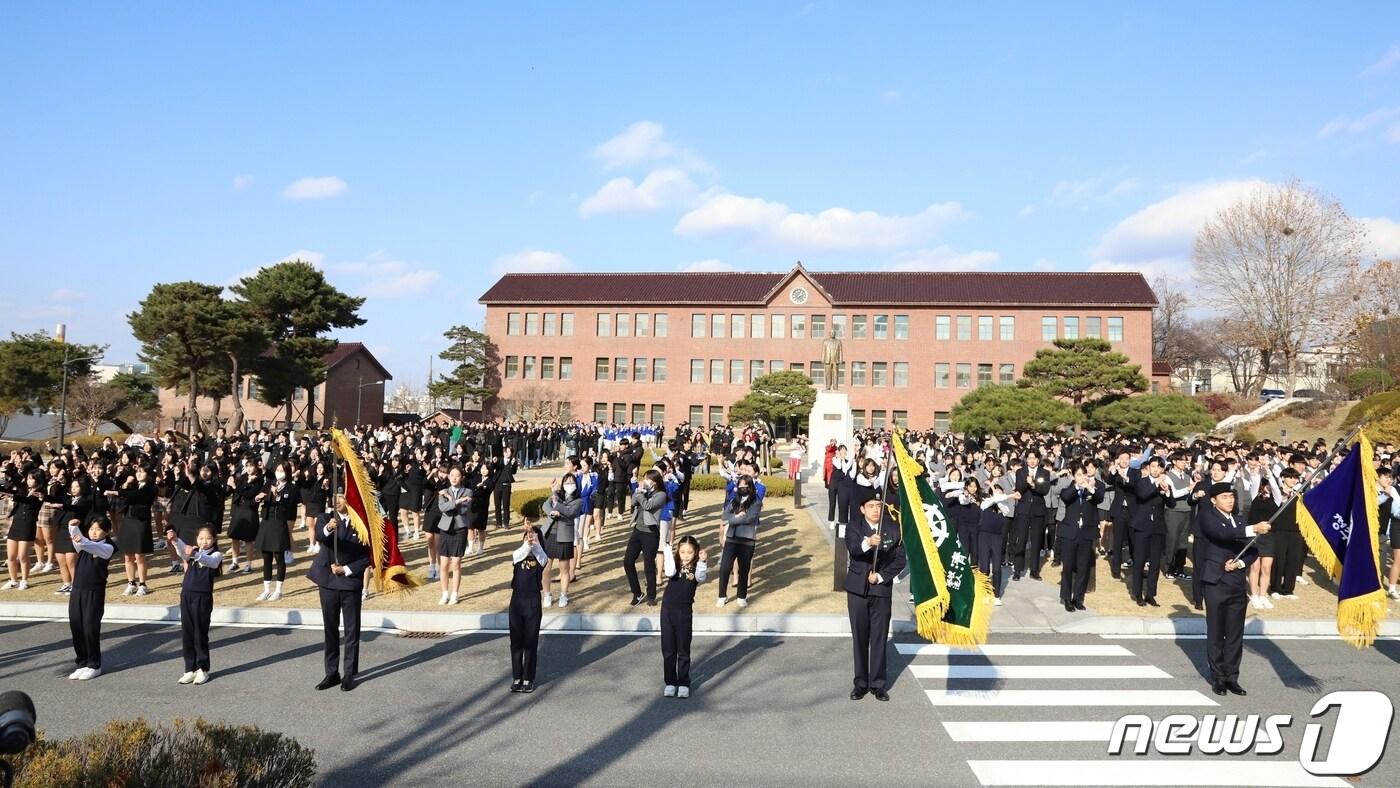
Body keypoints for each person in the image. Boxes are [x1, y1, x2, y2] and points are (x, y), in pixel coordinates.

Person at [1196, 482, 1269, 696]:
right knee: (1217, 632)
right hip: (1216, 582)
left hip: (1237, 583)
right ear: (1214, 500)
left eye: (1231, 496)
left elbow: (1252, 551)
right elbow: (1221, 534)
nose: (1229, 500)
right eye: (1225, 497)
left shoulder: (1239, 521)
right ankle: (1218, 677)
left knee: (1235, 634)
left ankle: (1232, 677)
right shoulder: (1208, 516)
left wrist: (1240, 564)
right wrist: (1253, 528)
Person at [844, 496, 906, 701]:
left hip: (880, 590)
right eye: (870, 506)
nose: (875, 510)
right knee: (860, 638)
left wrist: (880, 576)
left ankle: (878, 684)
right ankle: (860, 683)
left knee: (879, 637)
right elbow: (853, 548)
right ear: (862, 509)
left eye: (879, 506)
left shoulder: (893, 528)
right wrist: (869, 542)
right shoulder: (854, 527)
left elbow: (900, 560)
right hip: (857, 591)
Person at [310, 497, 371, 692]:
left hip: (349, 581)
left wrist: (346, 569)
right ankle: (331, 672)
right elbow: (320, 535)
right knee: (330, 628)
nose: (337, 501)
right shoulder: (325, 517)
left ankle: (349, 674)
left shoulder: (361, 524)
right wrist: (329, 527)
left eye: (342, 497)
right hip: (327, 581)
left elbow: (368, 556)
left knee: (352, 630)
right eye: (334, 497)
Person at [166, 525, 222, 685]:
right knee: (187, 633)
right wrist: (176, 540)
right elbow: (184, 552)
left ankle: (203, 669)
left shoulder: (216, 555)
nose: (204, 542)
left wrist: (195, 553)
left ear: (214, 540)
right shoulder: (195, 551)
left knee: (200, 634)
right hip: (187, 594)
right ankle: (189, 669)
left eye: (208, 538)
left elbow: (209, 561)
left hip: (202, 597)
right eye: (201, 538)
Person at [659, 535, 708, 698]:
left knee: (683, 649)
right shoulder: (673, 565)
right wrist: (667, 550)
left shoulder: (696, 569)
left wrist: (702, 562)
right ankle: (670, 682)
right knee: (668, 649)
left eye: (689, 552)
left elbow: (701, 577)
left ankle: (683, 682)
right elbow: (669, 571)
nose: (685, 555)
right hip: (667, 611)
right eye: (682, 552)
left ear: (696, 552)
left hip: (684, 612)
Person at [67, 515, 114, 681]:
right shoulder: (85, 545)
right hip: (77, 590)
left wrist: (75, 531)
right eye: (91, 529)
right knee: (76, 627)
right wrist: (73, 528)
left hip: (94, 592)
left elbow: (85, 543)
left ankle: (94, 665)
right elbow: (79, 543)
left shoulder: (107, 547)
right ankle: (82, 663)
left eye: (98, 529)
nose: (93, 532)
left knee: (90, 628)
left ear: (107, 531)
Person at [1058, 463, 1104, 612]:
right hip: (1070, 532)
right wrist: (1077, 485)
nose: (1082, 477)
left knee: (1083, 567)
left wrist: (1089, 487)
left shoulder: (1092, 488)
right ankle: (1066, 598)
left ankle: (1078, 598)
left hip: (1086, 533)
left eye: (1083, 474)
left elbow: (1099, 498)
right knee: (1068, 566)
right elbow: (1065, 497)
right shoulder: (1069, 488)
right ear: (1073, 476)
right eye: (1078, 475)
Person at [509, 525, 550, 693]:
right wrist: (527, 540)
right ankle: (517, 677)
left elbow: (542, 556)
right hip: (517, 600)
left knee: (530, 641)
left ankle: (528, 678)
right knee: (516, 641)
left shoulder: (541, 557)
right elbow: (520, 554)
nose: (530, 539)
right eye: (527, 536)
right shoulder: (518, 554)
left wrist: (536, 543)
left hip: (533, 601)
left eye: (534, 536)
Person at [716, 475, 761, 608]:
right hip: (731, 538)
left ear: (750, 487)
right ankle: (722, 595)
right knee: (724, 567)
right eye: (740, 486)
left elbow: (749, 519)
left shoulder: (756, 502)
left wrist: (732, 519)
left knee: (744, 568)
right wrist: (735, 516)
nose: (742, 489)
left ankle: (742, 596)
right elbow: (724, 515)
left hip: (747, 539)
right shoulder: (734, 500)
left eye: (745, 486)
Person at [624, 469, 667, 606]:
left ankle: (651, 596)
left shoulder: (661, 495)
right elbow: (633, 503)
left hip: (650, 533)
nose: (645, 481)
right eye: (645, 478)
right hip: (638, 530)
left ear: (654, 482)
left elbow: (648, 506)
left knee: (648, 565)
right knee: (628, 561)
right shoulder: (643, 492)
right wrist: (638, 492)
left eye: (648, 479)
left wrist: (641, 494)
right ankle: (637, 592)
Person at [540, 474, 583, 608]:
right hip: (550, 533)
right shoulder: (557, 494)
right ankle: (547, 594)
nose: (569, 484)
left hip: (565, 536)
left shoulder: (579, 501)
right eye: (566, 482)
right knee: (546, 567)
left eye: (571, 482)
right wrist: (552, 511)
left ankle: (563, 595)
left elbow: (570, 513)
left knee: (564, 568)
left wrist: (557, 506)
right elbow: (546, 505)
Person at [115, 466, 155, 596]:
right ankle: (131, 583)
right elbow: (123, 492)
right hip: (128, 519)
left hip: (141, 521)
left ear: (147, 474)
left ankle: (143, 584)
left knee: (139, 555)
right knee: (128, 555)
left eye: (141, 471)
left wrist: (117, 493)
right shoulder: (133, 486)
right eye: (137, 471)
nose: (138, 474)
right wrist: (126, 482)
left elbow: (137, 496)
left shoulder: (150, 487)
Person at [436, 466, 472, 606]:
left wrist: (452, 501)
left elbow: (464, 509)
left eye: (457, 475)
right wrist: (455, 501)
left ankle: (455, 593)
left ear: (461, 477)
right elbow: (443, 508)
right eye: (451, 475)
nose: (454, 478)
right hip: (445, 529)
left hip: (459, 529)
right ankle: (445, 593)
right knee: (444, 564)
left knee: (456, 563)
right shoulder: (443, 492)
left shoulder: (467, 491)